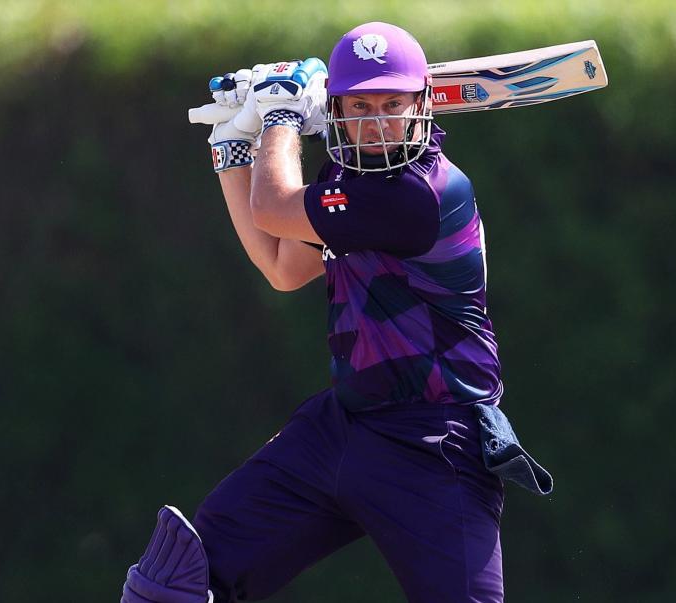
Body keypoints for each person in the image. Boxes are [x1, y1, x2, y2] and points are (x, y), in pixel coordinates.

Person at [120, 22, 551, 603]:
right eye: (360, 105)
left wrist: (279, 117)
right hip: (341, 429)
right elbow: (282, 268)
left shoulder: (422, 195)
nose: (376, 121)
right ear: (339, 111)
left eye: (392, 103)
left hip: (435, 443)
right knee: (175, 584)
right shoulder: (345, 183)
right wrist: (232, 150)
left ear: (421, 103)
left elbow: (273, 206)